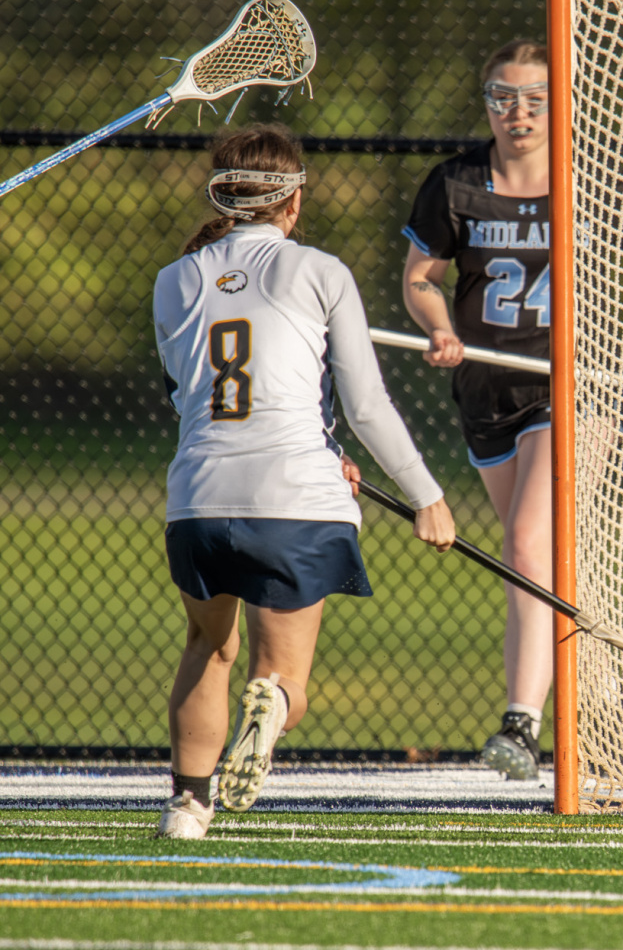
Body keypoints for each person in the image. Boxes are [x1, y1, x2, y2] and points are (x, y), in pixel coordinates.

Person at [153, 124, 455, 840]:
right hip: (295, 497)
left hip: (198, 499)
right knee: (282, 676)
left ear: (221, 197)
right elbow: (366, 405)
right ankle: (274, 703)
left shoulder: (173, 280)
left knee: (207, 648)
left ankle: (187, 808)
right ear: (293, 201)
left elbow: (187, 398)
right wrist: (427, 496)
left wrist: (328, 449)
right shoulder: (321, 271)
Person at [402, 39, 623, 779]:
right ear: (487, 106)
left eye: (534, 99)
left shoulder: (590, 181)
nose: (519, 114)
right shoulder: (457, 183)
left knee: (530, 547)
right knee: (538, 567)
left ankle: (521, 724)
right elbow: (421, 278)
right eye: (503, 99)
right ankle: (603, 692)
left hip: (574, 391)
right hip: (487, 393)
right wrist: (440, 328)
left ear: (558, 105)